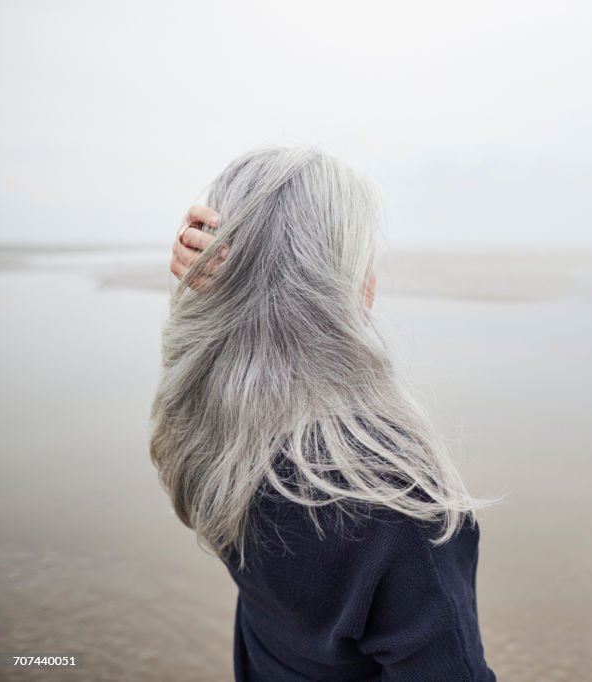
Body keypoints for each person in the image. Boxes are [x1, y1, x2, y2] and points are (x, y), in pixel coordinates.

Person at [153, 147, 495, 681]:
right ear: (335, 282)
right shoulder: (388, 495)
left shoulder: (203, 429)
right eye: (360, 256)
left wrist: (203, 302)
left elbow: (192, 365)